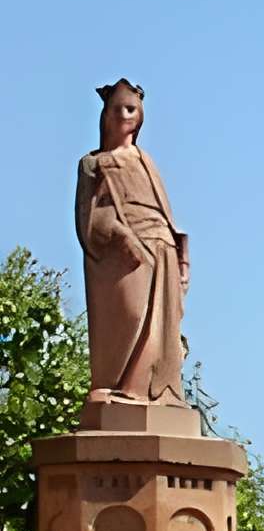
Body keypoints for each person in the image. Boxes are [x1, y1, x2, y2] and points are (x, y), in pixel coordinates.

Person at [76, 79, 189, 406]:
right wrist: (119, 233)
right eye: (118, 108)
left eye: (132, 109)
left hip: (162, 247)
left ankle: (155, 392)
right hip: (125, 253)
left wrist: (181, 258)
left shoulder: (144, 160)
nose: (125, 115)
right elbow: (88, 216)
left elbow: (164, 211)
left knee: (163, 325)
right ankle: (116, 385)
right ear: (106, 114)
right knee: (130, 316)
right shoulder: (93, 163)